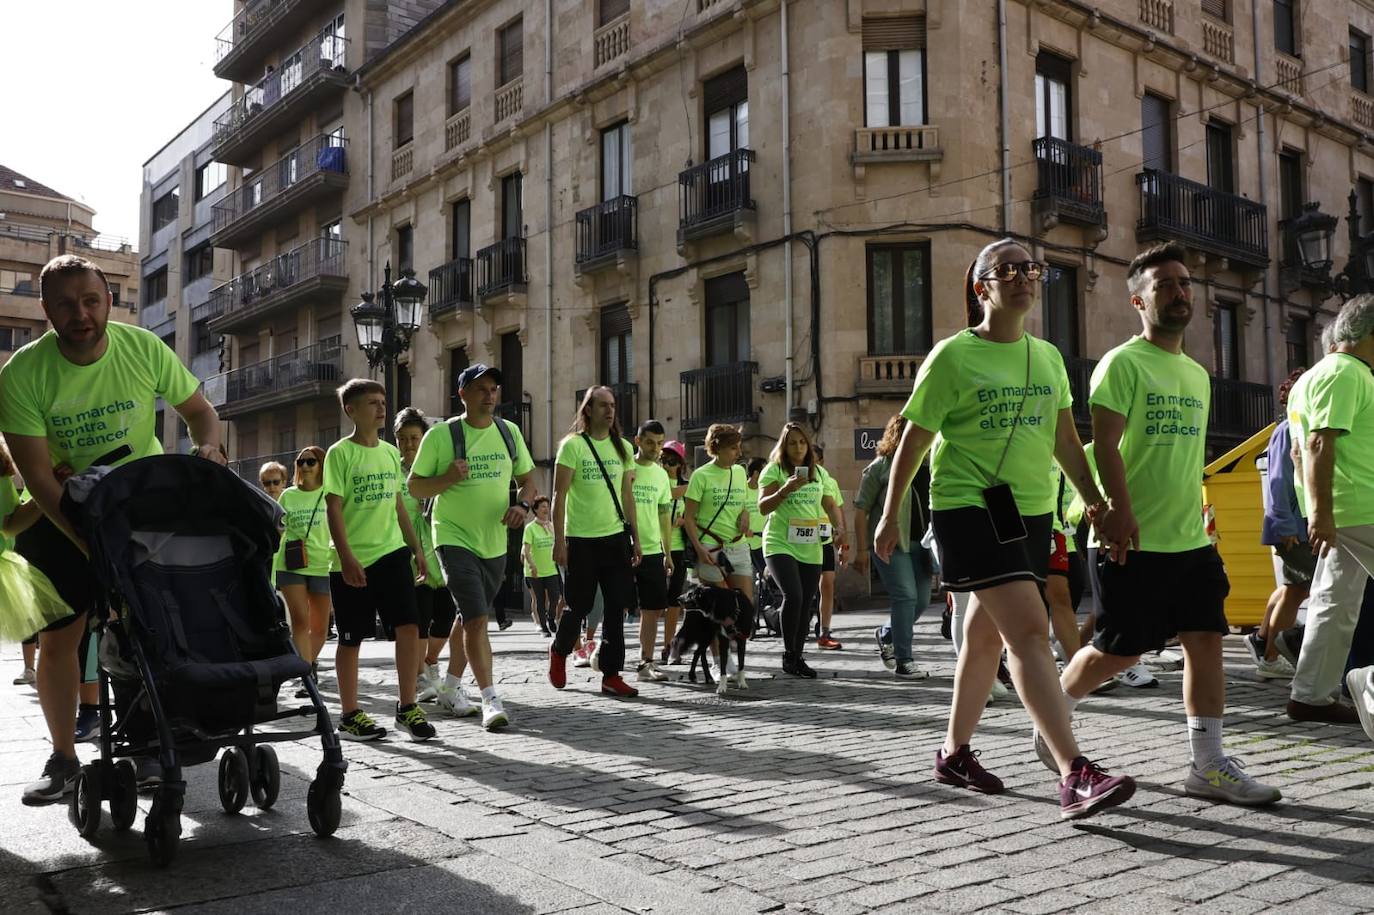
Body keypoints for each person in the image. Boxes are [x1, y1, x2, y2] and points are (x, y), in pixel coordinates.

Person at [876, 238, 1135, 820]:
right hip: (968, 505)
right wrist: (890, 514)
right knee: (1027, 627)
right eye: (1007, 269)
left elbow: (1067, 441)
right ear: (981, 286)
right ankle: (1074, 771)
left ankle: (952, 752)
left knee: (985, 635)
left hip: (1031, 510)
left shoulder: (1047, 357)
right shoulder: (952, 356)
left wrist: (1095, 500)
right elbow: (913, 441)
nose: (1023, 276)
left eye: (1030, 268)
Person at [1054, 242, 1280, 806]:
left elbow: (1181, 456)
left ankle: (1208, 764)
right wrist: (1119, 511)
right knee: (1119, 651)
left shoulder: (1197, 375)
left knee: (1206, 639)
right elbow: (1105, 445)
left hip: (1189, 538)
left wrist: (1202, 508)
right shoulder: (1122, 363)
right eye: (1165, 285)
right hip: (1132, 538)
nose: (1180, 293)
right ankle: (1053, 715)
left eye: (1184, 284)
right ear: (1138, 300)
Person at [0, 254, 226, 804]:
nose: (81, 314)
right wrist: (88, 541)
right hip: (61, 510)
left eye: (91, 301)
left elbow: (200, 412)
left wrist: (209, 447)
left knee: (153, 627)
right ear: (46, 310)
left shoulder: (143, 348)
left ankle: (150, 743)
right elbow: (36, 477)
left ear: (109, 300)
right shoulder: (21, 374)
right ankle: (63, 757)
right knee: (62, 639)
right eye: (65, 305)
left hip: (139, 505)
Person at [409, 365, 536, 730]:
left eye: (494, 389)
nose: (490, 395)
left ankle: (449, 686)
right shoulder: (442, 436)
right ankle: (490, 699)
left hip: (494, 541)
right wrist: (447, 477)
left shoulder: (509, 432)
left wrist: (523, 507)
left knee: (469, 616)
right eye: (481, 389)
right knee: (479, 619)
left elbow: (528, 480)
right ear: (462, 393)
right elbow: (416, 487)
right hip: (452, 537)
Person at [323, 379, 435, 742]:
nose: (381, 407)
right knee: (351, 638)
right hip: (353, 560)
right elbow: (333, 508)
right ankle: (351, 713)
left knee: (408, 626)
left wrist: (416, 548)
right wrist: (346, 556)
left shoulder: (389, 453)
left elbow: (400, 505)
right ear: (351, 410)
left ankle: (407, 707)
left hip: (392, 553)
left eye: (383, 401)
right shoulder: (340, 454)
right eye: (372, 402)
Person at [1285, 294, 1374, 724]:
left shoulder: (1310, 378)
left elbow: (1299, 451)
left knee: (1333, 602)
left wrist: (1315, 509)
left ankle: (1311, 696)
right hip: (1362, 503)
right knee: (1333, 601)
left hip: (1340, 507)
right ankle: (1368, 684)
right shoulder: (1347, 372)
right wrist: (1321, 513)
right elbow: (1319, 442)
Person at [547, 386, 642, 697]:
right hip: (581, 540)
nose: (610, 411)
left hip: (616, 538)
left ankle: (611, 675)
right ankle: (560, 651)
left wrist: (636, 539)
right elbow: (559, 496)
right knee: (579, 606)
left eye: (612, 405)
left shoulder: (623, 448)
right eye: (603, 405)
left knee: (616, 607)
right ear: (587, 409)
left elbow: (628, 497)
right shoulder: (572, 446)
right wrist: (559, 541)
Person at [758, 422, 843, 678]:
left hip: (810, 544)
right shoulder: (774, 470)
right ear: (784, 446)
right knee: (793, 596)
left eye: (802, 442)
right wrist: (786, 489)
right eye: (792, 443)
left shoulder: (819, 474)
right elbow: (763, 507)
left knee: (807, 601)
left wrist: (839, 526)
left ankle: (798, 655)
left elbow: (830, 504)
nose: (798, 447)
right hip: (779, 543)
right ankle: (789, 654)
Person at [855, 414, 934, 680]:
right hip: (892, 544)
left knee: (921, 601)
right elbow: (861, 509)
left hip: (922, 544)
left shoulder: (930, 464)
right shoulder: (881, 466)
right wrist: (861, 549)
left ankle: (886, 634)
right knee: (906, 597)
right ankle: (904, 660)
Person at [394, 409, 458, 706]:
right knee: (419, 615)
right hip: (407, 551)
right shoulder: (392, 469)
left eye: (414, 438)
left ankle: (430, 660)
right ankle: (419, 675)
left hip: (439, 545)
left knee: (446, 615)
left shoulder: (435, 467)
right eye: (403, 438)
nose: (408, 444)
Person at [1250, 369, 1310, 680]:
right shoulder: (1288, 430)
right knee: (1298, 589)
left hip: (1294, 523)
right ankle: (1272, 656)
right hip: (1292, 526)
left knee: (1290, 587)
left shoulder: (1295, 427)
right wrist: (1286, 525)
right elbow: (1278, 481)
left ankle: (1263, 642)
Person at [271, 445, 333, 664]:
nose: (305, 466)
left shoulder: (330, 493)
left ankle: (308, 665)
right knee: (299, 621)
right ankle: (306, 675)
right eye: (300, 462)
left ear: (321, 465)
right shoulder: (288, 496)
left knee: (320, 628)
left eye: (311, 461)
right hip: (291, 564)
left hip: (323, 564)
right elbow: (277, 527)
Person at [684, 424, 754, 604]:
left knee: (745, 607)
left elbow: (743, 504)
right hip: (710, 549)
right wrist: (700, 549)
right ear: (716, 448)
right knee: (722, 608)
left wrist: (745, 515)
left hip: (739, 546)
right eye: (733, 448)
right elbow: (689, 518)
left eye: (739, 447)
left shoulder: (740, 472)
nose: (739, 453)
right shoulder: (700, 475)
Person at [630, 421, 674, 682]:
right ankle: (604, 651)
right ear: (638, 441)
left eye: (659, 443)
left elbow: (664, 516)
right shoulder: (626, 469)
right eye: (650, 442)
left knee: (652, 609)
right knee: (617, 606)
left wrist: (667, 552)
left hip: (653, 550)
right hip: (624, 548)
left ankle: (646, 662)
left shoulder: (661, 476)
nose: (656, 449)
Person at [811, 444, 847, 649]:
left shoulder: (829, 481)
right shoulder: (794, 479)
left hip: (824, 539)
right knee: (804, 590)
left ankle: (825, 633)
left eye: (814, 458)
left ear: (821, 461)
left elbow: (839, 513)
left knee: (827, 584)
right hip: (800, 542)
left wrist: (844, 544)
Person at [660, 440, 691, 664]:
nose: (667, 463)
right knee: (654, 602)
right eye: (664, 458)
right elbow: (667, 494)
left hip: (679, 550)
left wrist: (684, 520)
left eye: (672, 459)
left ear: (680, 463)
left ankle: (669, 645)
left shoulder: (687, 487)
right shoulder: (655, 481)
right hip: (657, 547)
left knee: (674, 601)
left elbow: (695, 515)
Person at [522, 497, 561, 635]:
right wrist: (532, 565)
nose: (546, 509)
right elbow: (526, 550)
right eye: (543, 506)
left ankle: (551, 617)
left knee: (555, 597)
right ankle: (544, 628)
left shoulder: (552, 526)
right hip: (534, 571)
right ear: (536, 510)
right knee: (540, 599)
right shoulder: (530, 528)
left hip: (551, 569)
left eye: (547, 506)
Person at [745, 457, 767, 578]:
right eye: (764, 471)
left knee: (767, 579)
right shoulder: (742, 489)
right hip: (745, 544)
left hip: (763, 543)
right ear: (756, 474)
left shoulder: (765, 491)